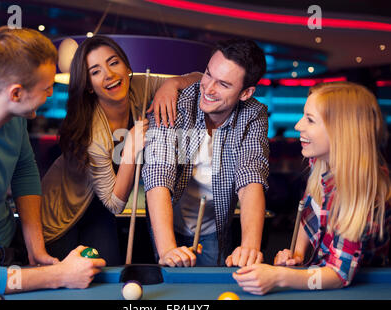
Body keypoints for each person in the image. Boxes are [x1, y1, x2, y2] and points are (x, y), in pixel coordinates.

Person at [0, 26, 107, 297]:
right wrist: (59, 275)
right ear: (16, 93)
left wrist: (35, 246)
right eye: (47, 87)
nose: (51, 94)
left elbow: (24, 169)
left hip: (8, 246)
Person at [40, 35, 201, 265]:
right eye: (95, 71)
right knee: (70, 281)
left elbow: (200, 79)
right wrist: (131, 150)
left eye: (113, 62)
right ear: (88, 85)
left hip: (97, 207)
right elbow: (116, 204)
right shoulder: (92, 133)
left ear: (126, 66)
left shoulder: (139, 86)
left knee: (110, 270)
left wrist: (171, 84)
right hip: (59, 212)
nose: (109, 74)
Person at [233, 82, 391, 295]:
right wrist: (297, 254)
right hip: (319, 277)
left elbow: (339, 275)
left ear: (341, 131)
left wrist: (280, 277)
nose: (298, 125)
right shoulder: (320, 161)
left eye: (310, 119)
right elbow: (310, 214)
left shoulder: (362, 192)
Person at [142, 39, 269, 267]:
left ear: (246, 93)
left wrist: (250, 247)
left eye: (223, 84)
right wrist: (168, 250)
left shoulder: (253, 114)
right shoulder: (177, 104)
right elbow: (157, 172)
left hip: (214, 228)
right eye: (208, 74)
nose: (208, 89)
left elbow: (251, 176)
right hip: (166, 225)